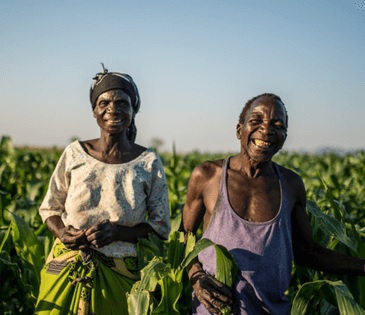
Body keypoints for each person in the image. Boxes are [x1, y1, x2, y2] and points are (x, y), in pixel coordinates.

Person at [182, 93, 365, 315]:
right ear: (240, 130)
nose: (266, 130)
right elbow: (186, 241)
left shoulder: (290, 184)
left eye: (277, 125)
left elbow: (307, 252)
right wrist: (196, 277)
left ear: (284, 136)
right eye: (256, 121)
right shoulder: (208, 176)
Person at [35, 65, 170, 314]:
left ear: (133, 110)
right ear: (94, 111)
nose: (112, 109)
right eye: (104, 102)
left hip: (121, 272)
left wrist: (118, 232)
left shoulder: (148, 162)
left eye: (122, 103)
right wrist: (63, 232)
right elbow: (50, 209)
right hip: (66, 266)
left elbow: (160, 227)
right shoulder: (75, 153)